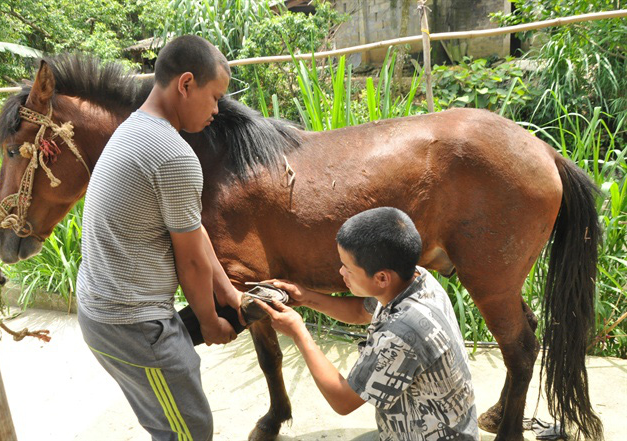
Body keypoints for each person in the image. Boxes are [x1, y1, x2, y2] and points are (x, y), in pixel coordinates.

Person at [76, 35, 242, 441]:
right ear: (186, 84)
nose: (218, 110)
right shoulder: (173, 155)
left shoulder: (136, 126)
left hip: (104, 309)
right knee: (188, 429)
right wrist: (209, 322)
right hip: (131, 324)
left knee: (174, 420)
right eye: (215, 96)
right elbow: (190, 261)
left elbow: (192, 230)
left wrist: (230, 296)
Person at [255, 207, 479, 441]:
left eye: (348, 268)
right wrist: (306, 297)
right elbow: (361, 311)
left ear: (382, 278)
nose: (341, 272)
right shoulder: (416, 279)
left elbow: (343, 400)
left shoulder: (402, 333)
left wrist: (299, 332)